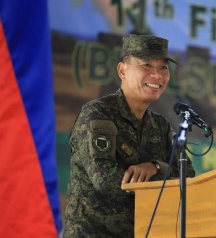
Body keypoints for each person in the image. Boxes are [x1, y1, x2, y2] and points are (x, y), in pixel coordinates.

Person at [63, 34, 196, 237]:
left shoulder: (160, 125)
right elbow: (105, 179)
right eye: (146, 65)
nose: (157, 75)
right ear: (122, 70)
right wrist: (162, 181)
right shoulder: (98, 113)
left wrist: (155, 166)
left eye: (163, 68)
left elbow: (187, 178)